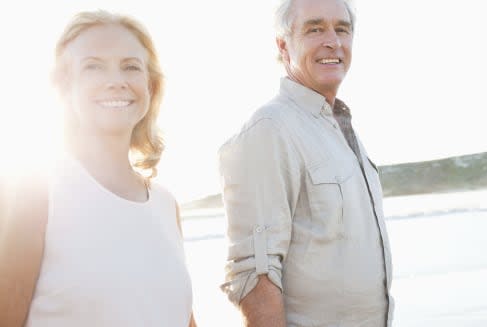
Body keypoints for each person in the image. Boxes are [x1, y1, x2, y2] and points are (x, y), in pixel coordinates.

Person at [0, 10, 196, 327]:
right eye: (93, 67)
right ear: (63, 86)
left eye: (130, 67)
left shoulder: (165, 205)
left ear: (152, 86)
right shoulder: (33, 193)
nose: (115, 81)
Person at [218, 0, 394, 325]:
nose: (333, 41)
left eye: (342, 29)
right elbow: (255, 276)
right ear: (284, 46)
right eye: (315, 29)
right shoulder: (271, 128)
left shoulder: (342, 128)